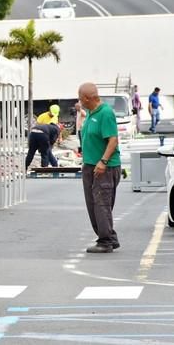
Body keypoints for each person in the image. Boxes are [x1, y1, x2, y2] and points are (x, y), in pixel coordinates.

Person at [78, 83, 121, 254]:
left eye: (80, 97)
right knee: (93, 205)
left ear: (87, 98)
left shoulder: (105, 113)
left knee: (101, 204)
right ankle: (109, 236)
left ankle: (105, 241)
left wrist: (103, 161)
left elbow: (113, 140)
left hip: (104, 167)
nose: (79, 100)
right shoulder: (89, 112)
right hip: (90, 166)